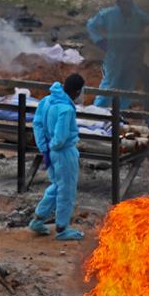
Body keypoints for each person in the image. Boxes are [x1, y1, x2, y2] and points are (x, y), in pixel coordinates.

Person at [28, 74, 86, 241]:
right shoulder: (66, 110)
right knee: (66, 191)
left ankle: (38, 220)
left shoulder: (46, 101)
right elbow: (60, 139)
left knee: (57, 186)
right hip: (64, 153)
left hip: (50, 152)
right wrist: (53, 148)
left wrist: (44, 150)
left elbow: (37, 124)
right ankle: (62, 228)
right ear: (76, 92)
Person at [87, 0, 149, 109]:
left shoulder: (138, 15)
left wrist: (143, 36)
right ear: (117, 2)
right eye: (121, 1)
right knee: (110, 82)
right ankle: (99, 111)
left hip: (132, 54)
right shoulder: (108, 14)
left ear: (131, 1)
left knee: (128, 85)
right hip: (114, 54)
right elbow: (91, 25)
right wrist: (99, 41)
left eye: (127, 1)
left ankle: (120, 113)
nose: (124, 4)